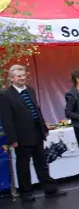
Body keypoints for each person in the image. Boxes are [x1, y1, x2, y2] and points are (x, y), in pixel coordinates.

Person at [0, 64, 67, 201]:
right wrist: (13, 138)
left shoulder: (30, 90)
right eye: (19, 76)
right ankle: (26, 193)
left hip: (37, 132)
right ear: (12, 78)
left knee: (42, 162)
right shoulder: (6, 95)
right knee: (23, 165)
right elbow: (7, 119)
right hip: (21, 136)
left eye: (24, 75)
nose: (22, 78)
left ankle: (50, 189)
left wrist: (44, 127)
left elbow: (37, 110)